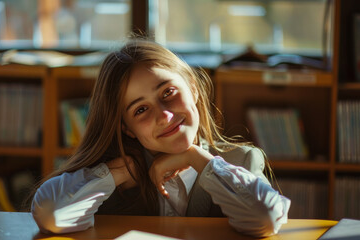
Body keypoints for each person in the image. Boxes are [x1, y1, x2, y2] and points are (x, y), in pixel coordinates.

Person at [31, 40, 291, 237]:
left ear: (193, 88)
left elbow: (266, 218)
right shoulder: (111, 179)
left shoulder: (241, 159)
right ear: (128, 128)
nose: (164, 116)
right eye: (140, 110)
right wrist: (120, 171)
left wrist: (197, 159)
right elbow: (51, 214)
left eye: (168, 92)